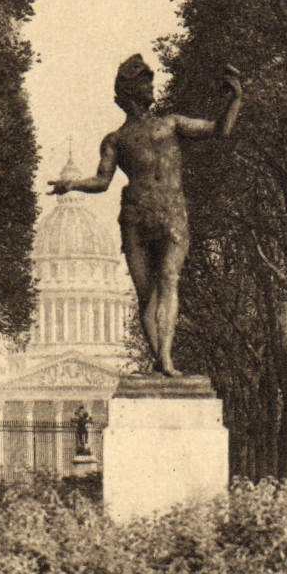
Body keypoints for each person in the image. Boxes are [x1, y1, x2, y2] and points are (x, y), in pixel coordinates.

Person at [50, 54, 242, 377]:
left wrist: (236, 99)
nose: (151, 87)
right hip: (136, 216)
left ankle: (165, 358)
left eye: (150, 81)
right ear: (127, 94)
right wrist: (73, 183)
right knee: (145, 297)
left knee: (169, 279)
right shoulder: (115, 140)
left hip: (171, 212)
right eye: (144, 83)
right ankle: (160, 360)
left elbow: (219, 129)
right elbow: (101, 180)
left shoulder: (172, 124)